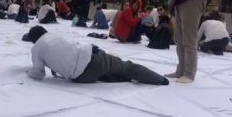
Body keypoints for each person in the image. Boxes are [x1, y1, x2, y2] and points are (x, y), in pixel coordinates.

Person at [23, 26, 169, 85]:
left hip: (82, 77)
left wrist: (28, 72)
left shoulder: (36, 48)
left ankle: (117, 77)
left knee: (103, 74)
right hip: (93, 57)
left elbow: (38, 74)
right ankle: (160, 80)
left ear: (33, 40)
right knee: (127, 67)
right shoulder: (55, 34)